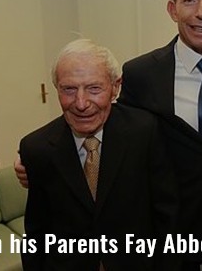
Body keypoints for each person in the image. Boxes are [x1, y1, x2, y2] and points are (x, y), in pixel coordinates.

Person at [15, 0, 202, 269]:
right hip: (169, 236)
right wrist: (38, 157)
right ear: (172, 9)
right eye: (189, 0)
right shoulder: (140, 74)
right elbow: (101, 119)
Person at [19, 39, 178, 270]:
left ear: (115, 87)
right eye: (69, 89)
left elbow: (166, 212)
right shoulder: (36, 148)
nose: (81, 103)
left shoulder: (144, 131)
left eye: (94, 88)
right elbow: (37, 231)